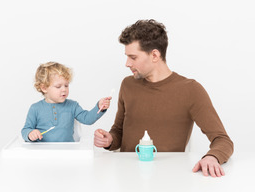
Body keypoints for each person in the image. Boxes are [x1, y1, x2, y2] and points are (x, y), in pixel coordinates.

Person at [94, 19, 234, 177]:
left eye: (133, 57)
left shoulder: (191, 90)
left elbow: (222, 140)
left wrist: (212, 156)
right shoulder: (128, 84)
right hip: (126, 175)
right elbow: (118, 132)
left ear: (154, 55)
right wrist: (109, 140)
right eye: (127, 57)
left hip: (169, 177)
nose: (127, 63)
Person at [22, 62, 111, 142]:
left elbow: (87, 119)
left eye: (66, 85)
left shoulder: (73, 106)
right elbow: (25, 130)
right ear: (44, 88)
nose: (64, 90)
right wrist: (30, 134)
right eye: (58, 86)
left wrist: (99, 107)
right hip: (43, 153)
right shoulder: (35, 108)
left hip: (68, 152)